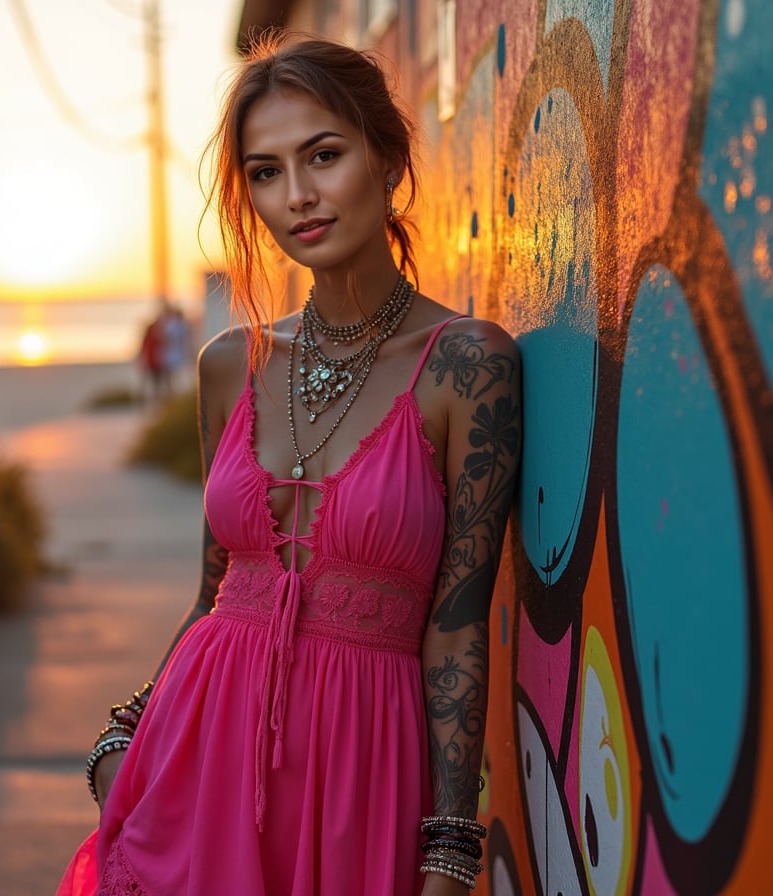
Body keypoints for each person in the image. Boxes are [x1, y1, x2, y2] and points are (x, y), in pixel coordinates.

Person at [57, 32, 521, 896]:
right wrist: (127, 736)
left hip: (364, 774)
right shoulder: (230, 365)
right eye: (266, 172)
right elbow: (215, 591)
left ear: (388, 161)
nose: (298, 195)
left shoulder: (467, 363)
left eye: (324, 155)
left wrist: (450, 846)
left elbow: (457, 628)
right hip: (202, 764)